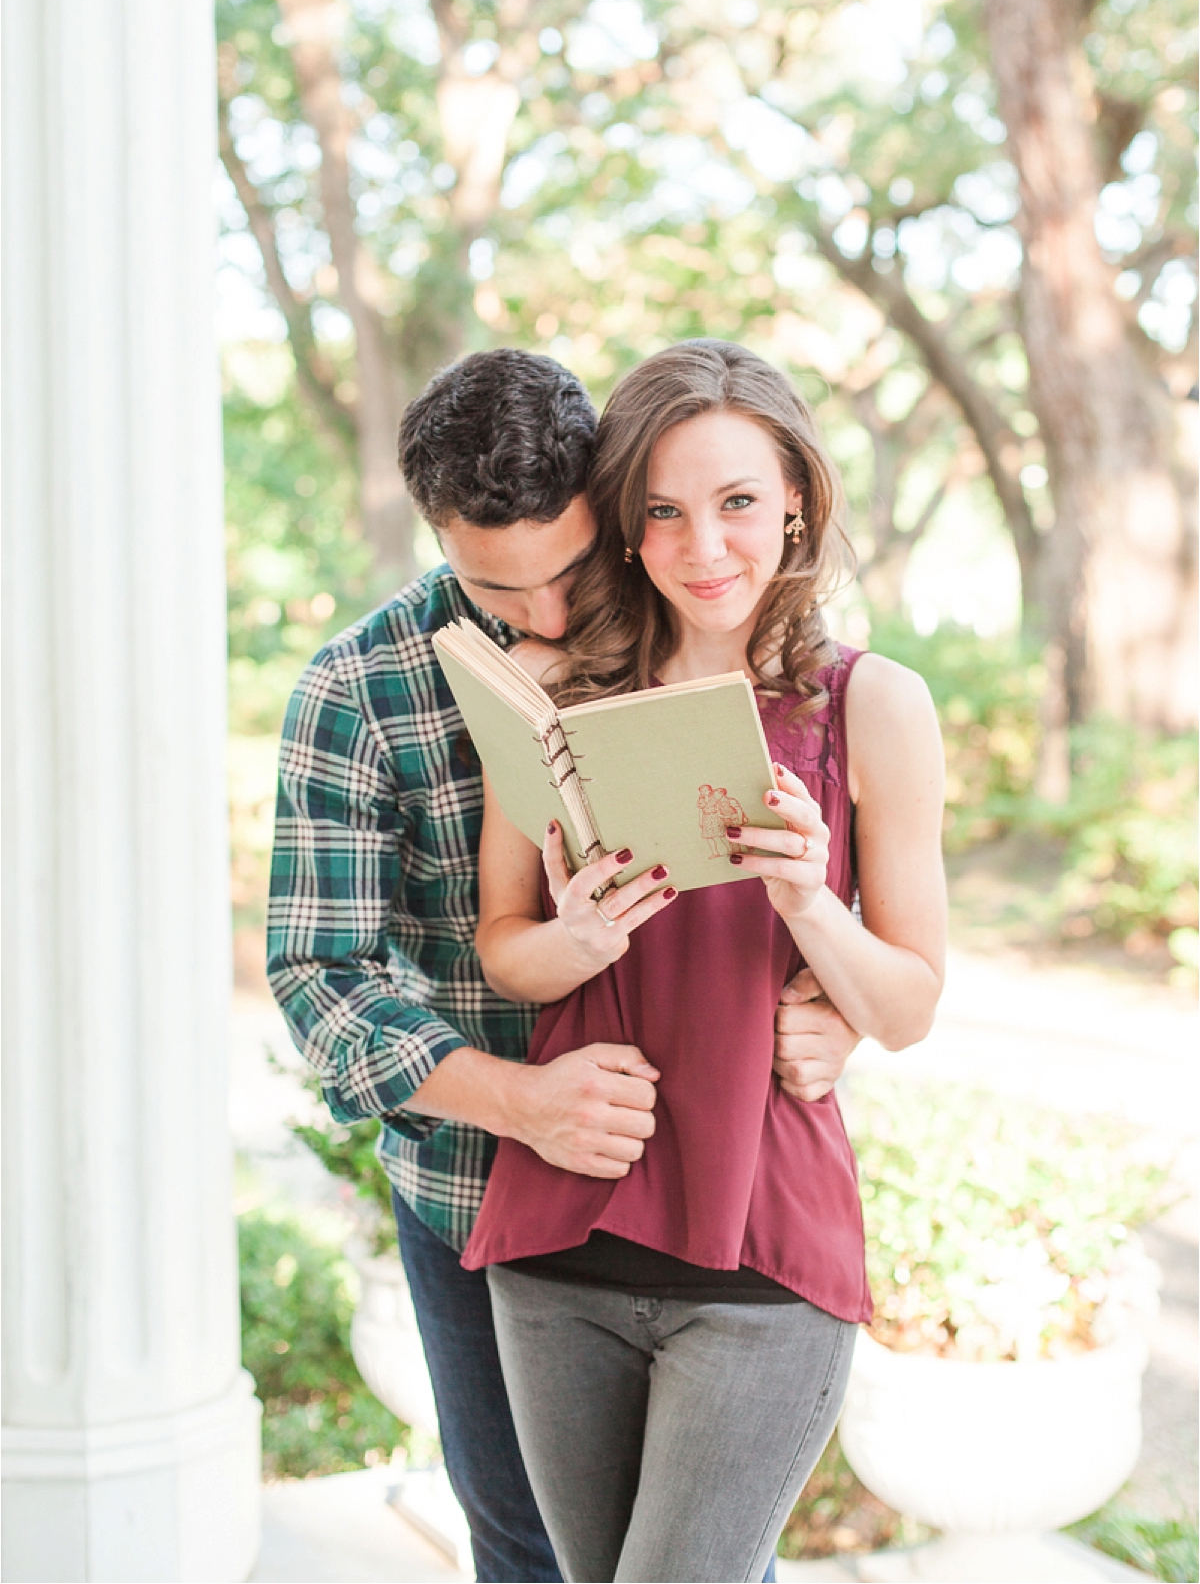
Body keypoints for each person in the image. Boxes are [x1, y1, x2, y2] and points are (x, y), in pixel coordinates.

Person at [267, 347, 863, 1584]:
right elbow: (319, 979)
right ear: (436, 533)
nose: (544, 616)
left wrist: (835, 1004)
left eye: (570, 569)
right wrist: (520, 1098)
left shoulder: (700, 634)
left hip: (706, 1186)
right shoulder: (355, 689)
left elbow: (832, 859)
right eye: (498, 585)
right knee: (528, 1552)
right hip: (479, 1192)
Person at [460, 340, 947, 1583]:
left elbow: (908, 1004)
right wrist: (577, 939)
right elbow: (504, 948)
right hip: (558, 1240)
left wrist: (808, 902)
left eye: (737, 502)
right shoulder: (551, 688)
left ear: (797, 499)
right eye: (665, 511)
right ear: (627, 524)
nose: (704, 545)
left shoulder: (870, 705)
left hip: (762, 1254)